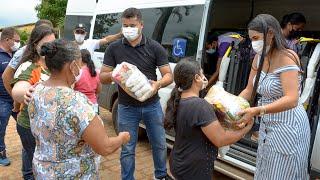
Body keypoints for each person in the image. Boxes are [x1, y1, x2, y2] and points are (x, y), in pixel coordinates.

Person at [26, 39, 130, 179]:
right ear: (73, 65)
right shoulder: (76, 102)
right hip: (74, 174)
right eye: (80, 64)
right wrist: (122, 138)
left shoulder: (36, 90)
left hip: (43, 172)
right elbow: (104, 147)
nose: (81, 69)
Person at [100, 8, 173, 180]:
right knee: (127, 148)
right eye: (125, 25)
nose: (128, 29)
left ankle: (160, 176)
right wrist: (115, 74)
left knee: (159, 144)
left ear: (141, 25)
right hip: (126, 107)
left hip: (152, 105)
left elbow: (168, 75)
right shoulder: (114, 48)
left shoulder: (155, 47)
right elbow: (102, 77)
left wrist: (158, 84)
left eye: (132, 25)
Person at [238, 14, 310, 179]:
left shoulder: (286, 58)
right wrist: (232, 106)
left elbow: (292, 99)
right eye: (251, 39)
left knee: (282, 172)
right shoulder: (259, 57)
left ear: (270, 33)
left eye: (256, 38)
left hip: (289, 125)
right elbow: (249, 89)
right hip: (268, 124)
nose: (253, 43)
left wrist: (258, 110)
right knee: (267, 169)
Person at [164, 58, 253, 179]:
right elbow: (221, 139)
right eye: (202, 73)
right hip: (193, 171)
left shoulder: (179, 101)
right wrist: (247, 128)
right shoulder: (200, 105)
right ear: (196, 78)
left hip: (178, 164)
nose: (204, 77)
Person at [11, 25, 55, 180]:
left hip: (46, 126)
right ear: (35, 44)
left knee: (34, 157)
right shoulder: (28, 66)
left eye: (53, 44)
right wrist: (26, 92)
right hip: (29, 126)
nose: (49, 48)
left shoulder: (52, 65)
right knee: (37, 161)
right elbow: (19, 88)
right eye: (45, 44)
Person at [2, 19, 53, 119]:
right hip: (28, 113)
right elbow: (6, 76)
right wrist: (17, 99)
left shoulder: (54, 52)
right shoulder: (22, 53)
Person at [0, 27, 20, 166]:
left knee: (25, 125)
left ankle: (30, 147)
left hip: (17, 99)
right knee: (1, 128)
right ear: (7, 40)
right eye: (16, 40)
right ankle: (1, 154)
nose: (18, 43)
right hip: (3, 100)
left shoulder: (16, 54)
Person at [74, 49, 101, 113]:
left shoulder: (77, 73)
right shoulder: (96, 73)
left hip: (80, 106)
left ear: (79, 59)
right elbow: (98, 91)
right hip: (93, 106)